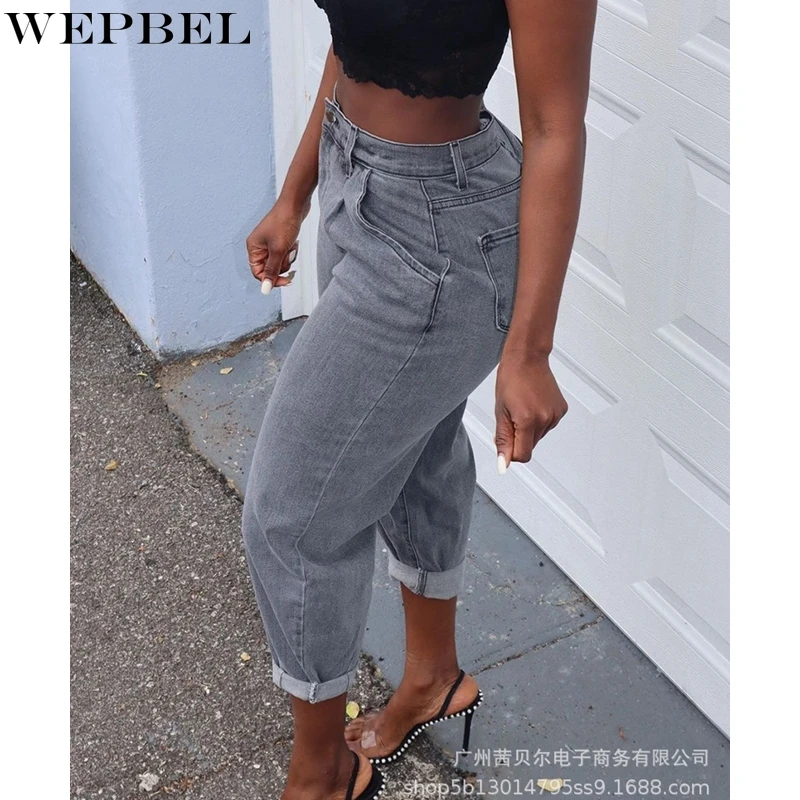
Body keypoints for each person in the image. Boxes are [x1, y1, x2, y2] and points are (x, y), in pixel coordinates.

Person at [242, 1, 597, 797]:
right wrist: (295, 194)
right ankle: (434, 677)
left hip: (442, 232)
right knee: (413, 448)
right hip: (353, 183)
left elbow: (555, 129)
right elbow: (351, 44)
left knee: (291, 518)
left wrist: (530, 350)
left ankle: (322, 775)